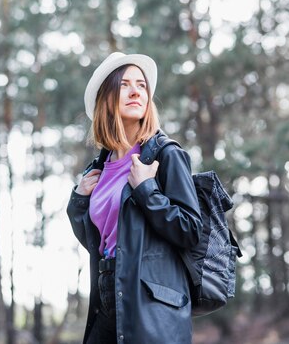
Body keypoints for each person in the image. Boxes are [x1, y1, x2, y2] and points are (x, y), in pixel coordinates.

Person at [67, 52, 202, 344]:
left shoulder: (166, 155)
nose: (135, 91)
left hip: (151, 305)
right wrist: (79, 201)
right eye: (125, 84)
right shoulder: (99, 170)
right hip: (107, 295)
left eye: (141, 85)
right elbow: (99, 240)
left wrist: (147, 191)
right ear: (107, 98)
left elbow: (190, 230)